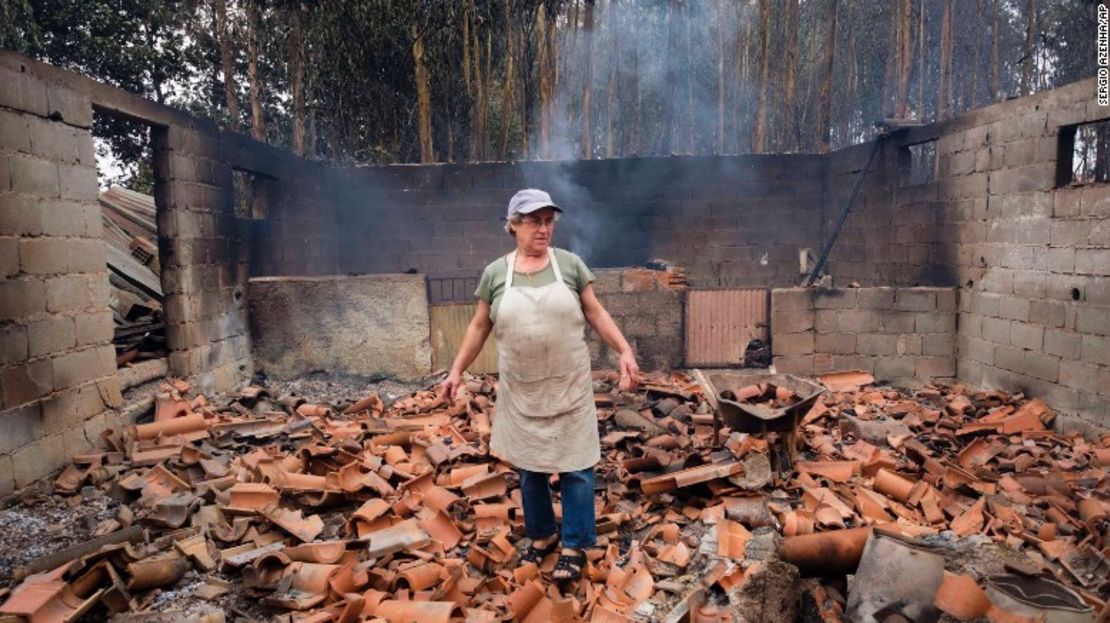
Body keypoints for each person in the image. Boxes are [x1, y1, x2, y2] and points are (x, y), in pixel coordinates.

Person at [439, 188, 640, 581]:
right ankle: (543, 536)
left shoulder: (570, 265)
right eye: (534, 221)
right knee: (530, 469)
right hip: (522, 388)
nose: (544, 229)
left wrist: (624, 350)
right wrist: (456, 370)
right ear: (513, 226)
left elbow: (595, 312)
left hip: (569, 385)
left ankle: (575, 544)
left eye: (549, 221)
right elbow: (480, 325)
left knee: (577, 468)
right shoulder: (496, 273)